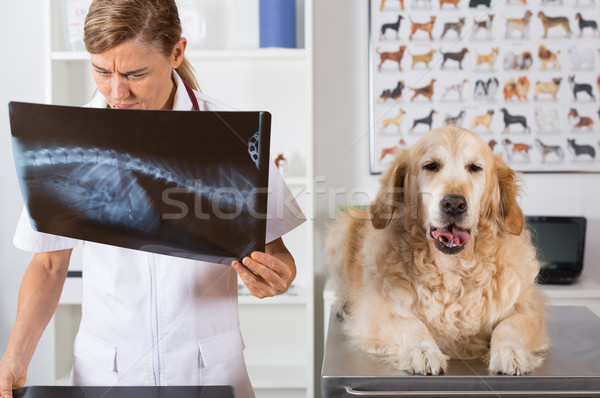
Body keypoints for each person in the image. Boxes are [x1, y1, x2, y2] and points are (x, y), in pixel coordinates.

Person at [0, 1, 305, 397]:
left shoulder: (232, 134)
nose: (115, 92)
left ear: (176, 53)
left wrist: (278, 276)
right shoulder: (68, 138)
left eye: (134, 74)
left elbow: (276, 251)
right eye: (101, 71)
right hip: (106, 372)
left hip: (207, 371)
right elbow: (48, 265)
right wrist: (14, 357)